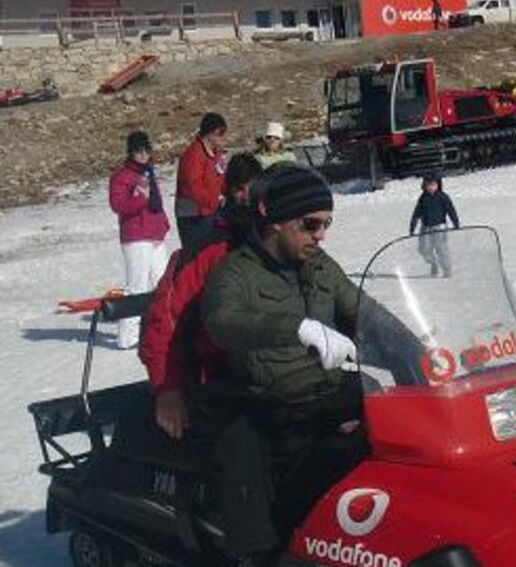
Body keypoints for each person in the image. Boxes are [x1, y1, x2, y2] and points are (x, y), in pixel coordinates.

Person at [201, 163, 367, 554]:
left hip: (328, 391)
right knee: (245, 464)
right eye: (311, 224)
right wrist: (297, 328)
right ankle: (259, 554)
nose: (321, 235)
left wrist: (426, 350)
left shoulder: (321, 266)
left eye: (327, 223)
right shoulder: (236, 273)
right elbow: (222, 321)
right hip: (271, 402)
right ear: (275, 221)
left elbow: (364, 311)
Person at [141, 153, 263, 440]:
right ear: (228, 190)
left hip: (266, 376)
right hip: (216, 381)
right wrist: (168, 388)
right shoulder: (208, 245)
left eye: (252, 188)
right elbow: (164, 319)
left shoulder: (274, 237)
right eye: (239, 188)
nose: (246, 196)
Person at [108, 131, 170, 349]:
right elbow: (119, 206)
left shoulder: (149, 172)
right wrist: (138, 196)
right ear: (130, 152)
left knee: (164, 282)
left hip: (154, 234)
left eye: (146, 150)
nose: (143, 155)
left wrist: (163, 223)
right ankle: (127, 337)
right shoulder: (121, 176)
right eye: (138, 151)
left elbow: (157, 203)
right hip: (136, 237)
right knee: (137, 285)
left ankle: (163, 327)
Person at [175, 112, 228, 248]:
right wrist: (214, 202)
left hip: (209, 212)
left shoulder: (215, 153)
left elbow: (219, 179)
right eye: (220, 132)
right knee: (196, 257)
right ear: (210, 133)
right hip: (193, 216)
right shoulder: (194, 154)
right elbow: (193, 187)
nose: (223, 137)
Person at [409, 173, 460, 277]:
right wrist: (412, 227)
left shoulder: (443, 197)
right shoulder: (423, 198)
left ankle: (447, 270)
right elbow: (416, 214)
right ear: (424, 186)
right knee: (423, 249)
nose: (431, 187)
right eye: (428, 185)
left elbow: (451, 210)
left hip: (439, 227)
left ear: (438, 185)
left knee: (441, 249)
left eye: (433, 184)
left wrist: (456, 223)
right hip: (426, 227)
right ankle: (433, 263)